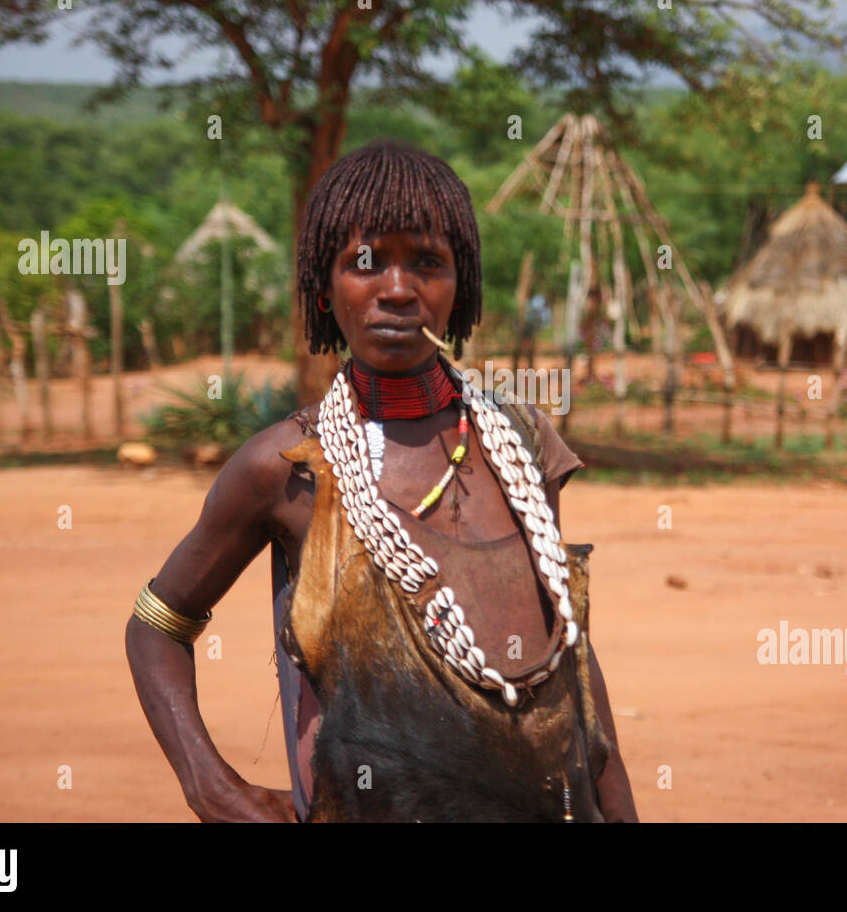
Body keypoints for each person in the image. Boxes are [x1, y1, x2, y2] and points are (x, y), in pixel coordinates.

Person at [125, 140, 638, 822]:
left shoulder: (520, 440)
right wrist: (211, 786)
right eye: (364, 263)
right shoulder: (286, 467)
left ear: (462, 284)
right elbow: (157, 624)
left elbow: (567, 650)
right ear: (323, 285)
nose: (397, 289)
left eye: (427, 262)